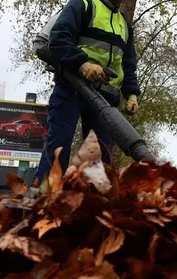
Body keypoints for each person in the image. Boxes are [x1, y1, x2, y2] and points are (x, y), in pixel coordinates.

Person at [32, 0, 140, 186]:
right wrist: (83, 65)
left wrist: (131, 94)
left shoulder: (125, 27)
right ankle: (41, 200)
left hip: (105, 99)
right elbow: (59, 39)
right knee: (59, 146)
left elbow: (128, 64)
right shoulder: (83, 5)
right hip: (71, 88)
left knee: (102, 156)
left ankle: (97, 207)